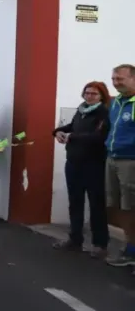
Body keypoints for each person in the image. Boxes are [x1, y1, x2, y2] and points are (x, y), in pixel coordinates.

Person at [52, 81, 110, 258]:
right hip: (74, 163)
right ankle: (75, 239)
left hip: (93, 164)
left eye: (94, 94)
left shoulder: (104, 113)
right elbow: (71, 127)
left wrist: (72, 137)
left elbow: (98, 137)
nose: (89, 96)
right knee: (75, 202)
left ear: (101, 96)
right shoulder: (81, 110)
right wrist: (58, 132)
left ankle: (100, 243)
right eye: (87, 93)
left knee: (96, 205)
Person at [104, 64, 135, 270]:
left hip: (130, 161)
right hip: (113, 159)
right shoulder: (116, 103)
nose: (115, 83)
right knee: (120, 207)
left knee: (131, 207)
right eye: (114, 79)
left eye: (120, 79)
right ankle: (130, 248)